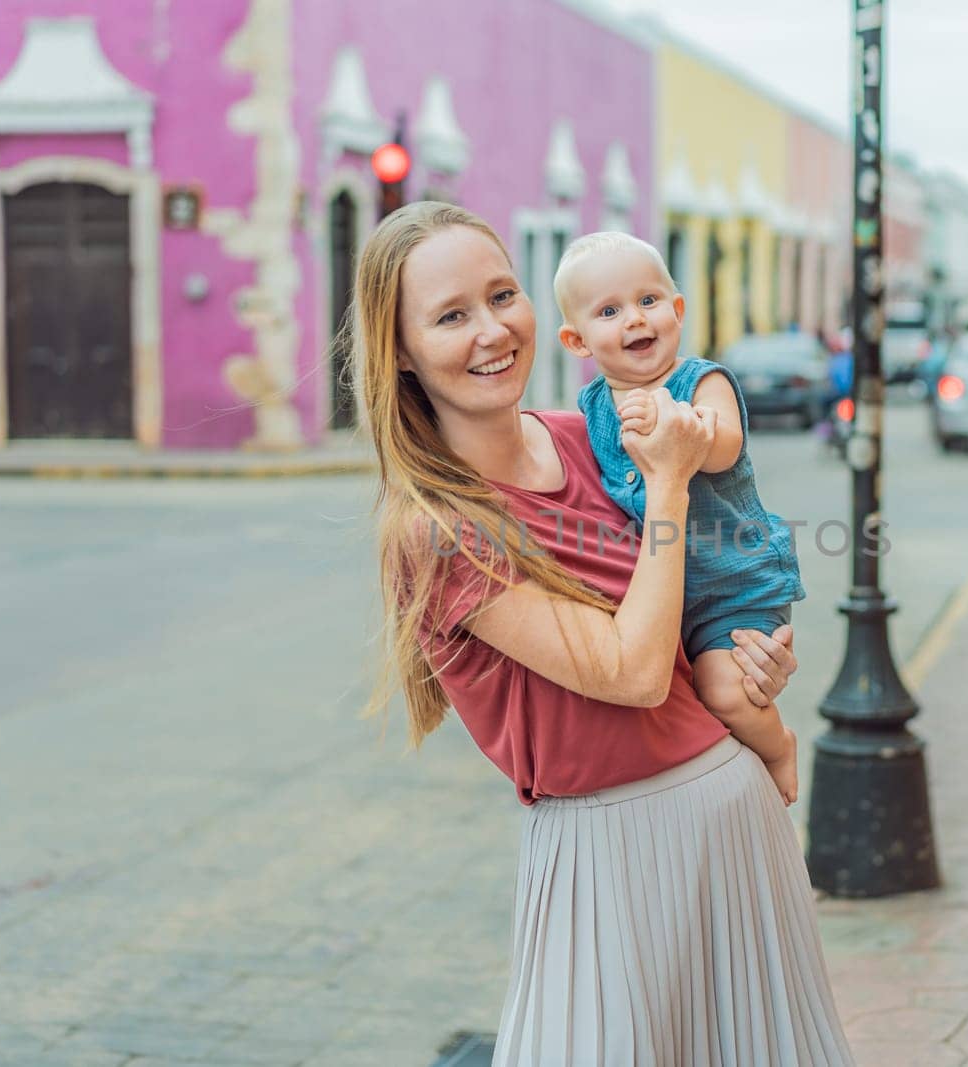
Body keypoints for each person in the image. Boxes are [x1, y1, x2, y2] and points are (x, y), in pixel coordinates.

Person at [353, 202, 855, 1066]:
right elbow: (628, 671)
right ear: (398, 349)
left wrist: (751, 656)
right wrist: (668, 488)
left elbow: (698, 595)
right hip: (605, 855)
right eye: (450, 315)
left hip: (734, 821)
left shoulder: (592, 438)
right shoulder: (437, 528)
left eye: (502, 295)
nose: (492, 331)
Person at [555, 232, 804, 804]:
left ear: (678, 310)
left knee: (727, 695)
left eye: (649, 301)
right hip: (657, 593)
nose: (635, 320)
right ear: (577, 340)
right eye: (609, 311)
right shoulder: (592, 407)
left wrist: (676, 422)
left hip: (733, 584)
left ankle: (779, 747)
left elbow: (723, 447)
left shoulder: (701, 381)